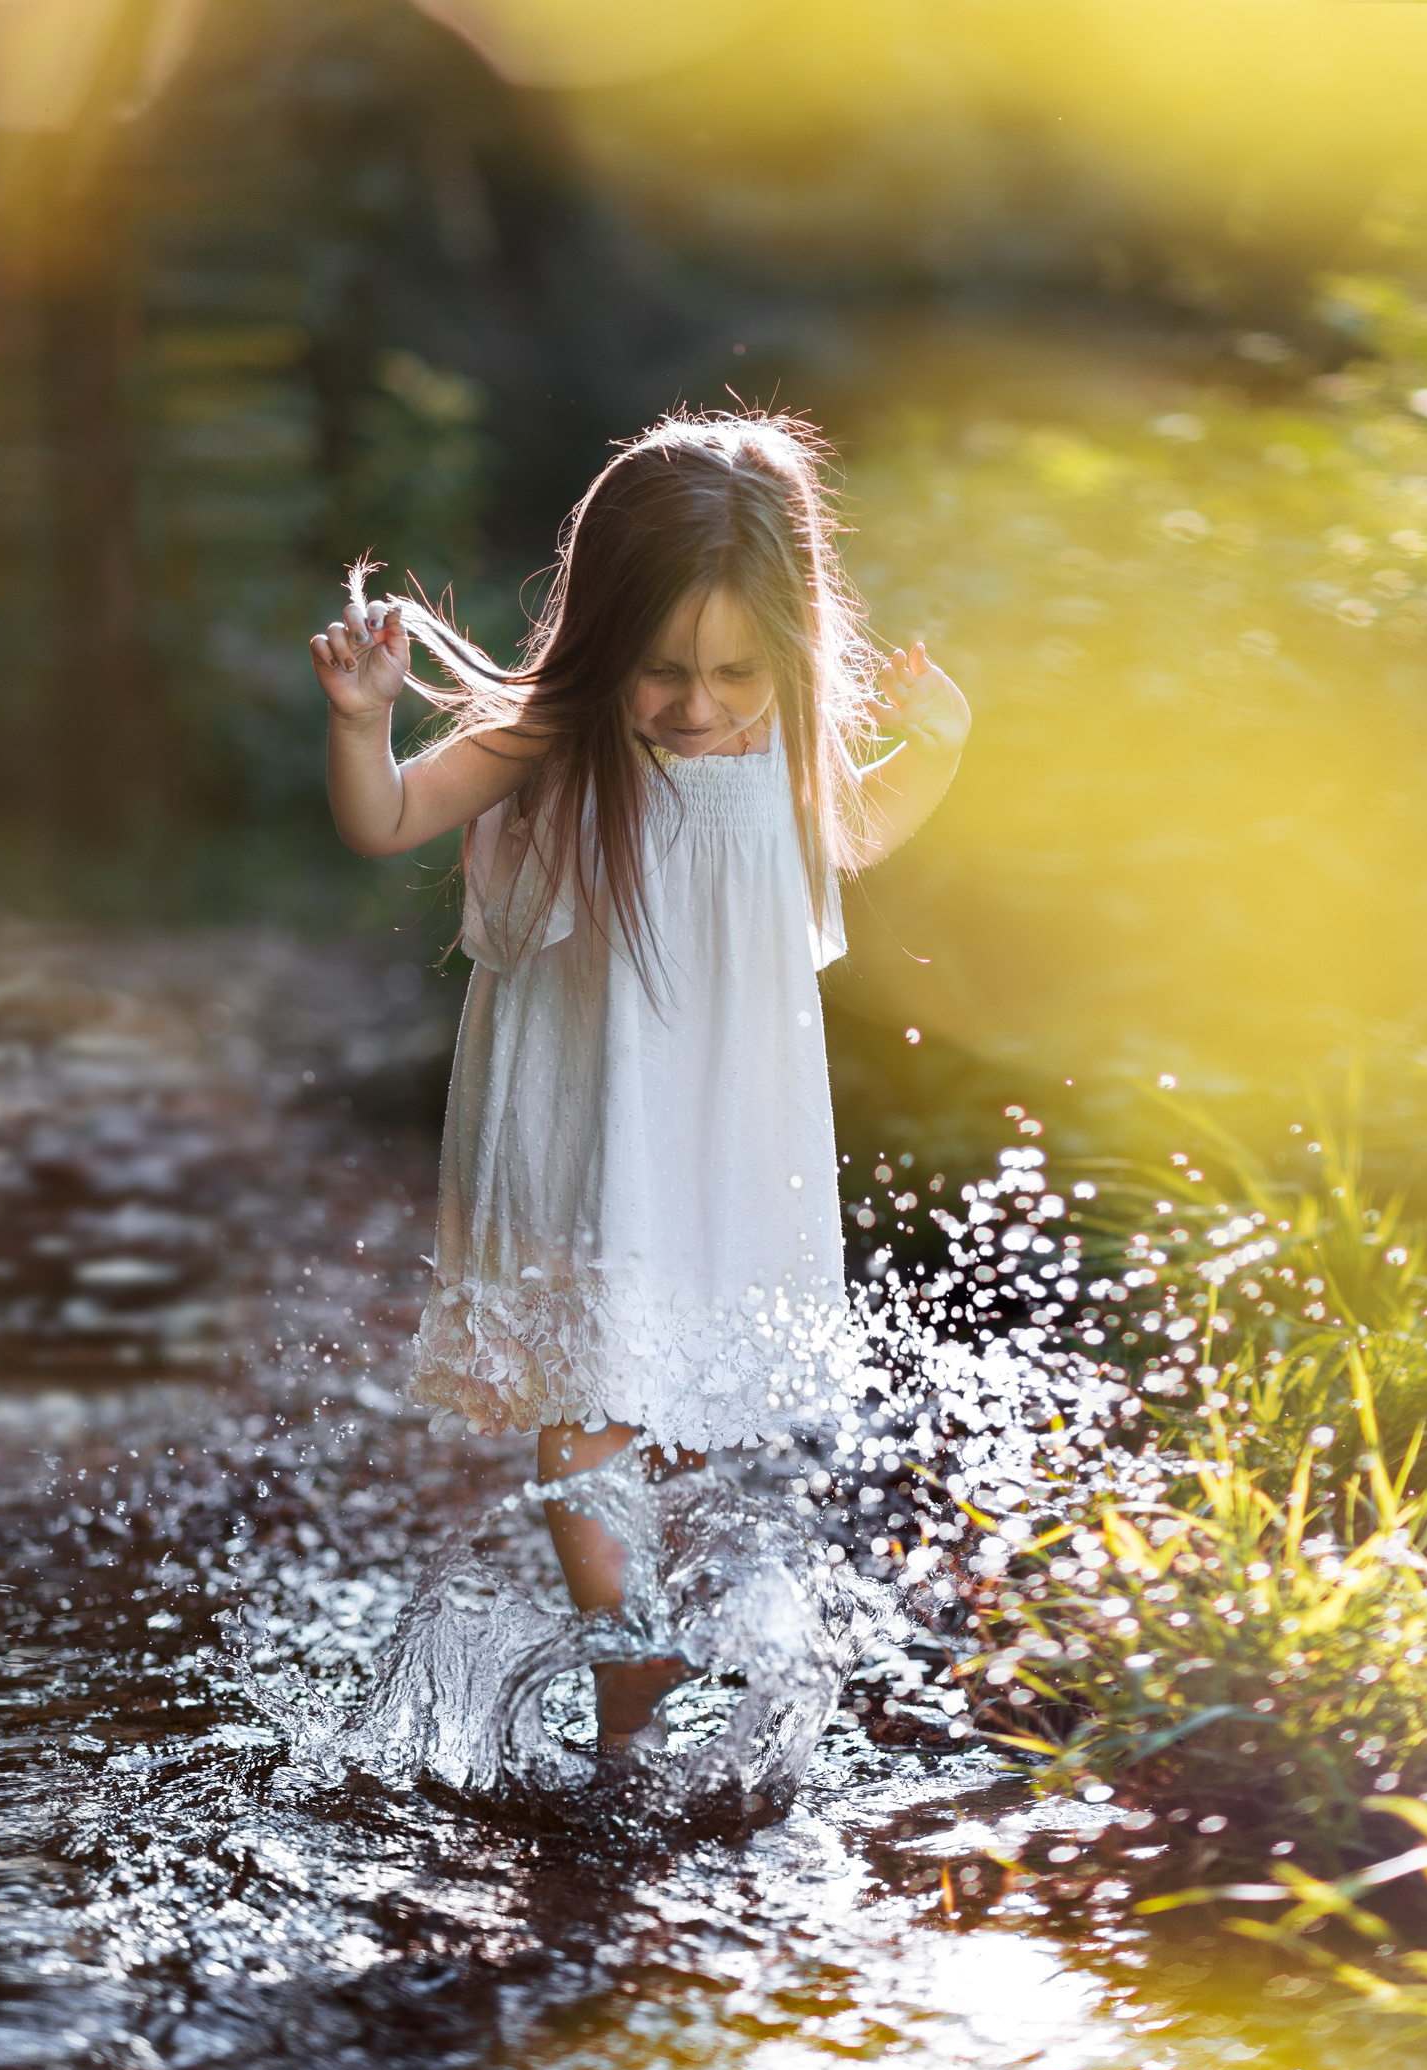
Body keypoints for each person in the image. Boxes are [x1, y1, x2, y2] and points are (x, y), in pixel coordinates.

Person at [310, 410, 970, 1750]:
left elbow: (854, 832)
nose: (700, 706)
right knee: (588, 1396)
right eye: (664, 671)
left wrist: (941, 747)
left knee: (665, 1408)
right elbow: (383, 820)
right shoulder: (552, 739)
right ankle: (629, 1666)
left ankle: (632, 1688)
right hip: (579, 1116)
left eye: (737, 670)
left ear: (791, 648)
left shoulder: (779, 752)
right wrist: (361, 724)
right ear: (605, 637)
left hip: (717, 1116)